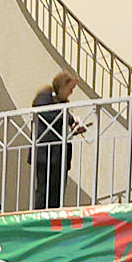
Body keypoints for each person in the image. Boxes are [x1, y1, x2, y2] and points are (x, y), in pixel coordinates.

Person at [28, 62, 79, 209]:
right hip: (46, 153)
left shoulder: (63, 104)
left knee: (57, 191)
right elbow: (45, 114)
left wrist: (75, 126)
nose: (71, 92)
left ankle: (55, 216)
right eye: (70, 89)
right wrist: (69, 118)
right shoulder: (45, 97)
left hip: (60, 155)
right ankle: (40, 219)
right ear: (62, 86)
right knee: (44, 190)